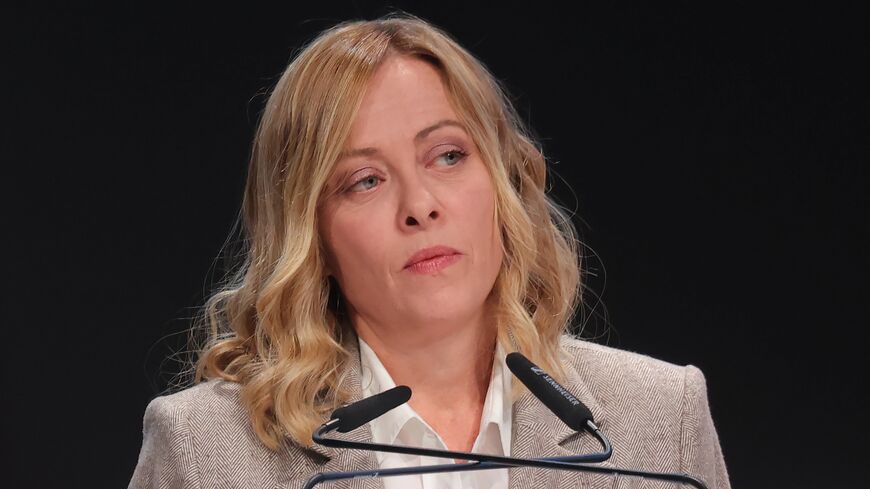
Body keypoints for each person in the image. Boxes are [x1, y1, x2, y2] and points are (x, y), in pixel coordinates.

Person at [129, 13, 731, 489]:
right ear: (311, 237)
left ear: (505, 182)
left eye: (447, 155)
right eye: (365, 180)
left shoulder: (660, 418)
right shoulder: (205, 450)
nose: (420, 205)